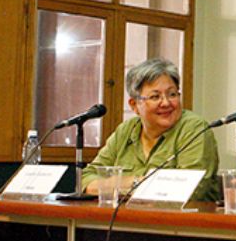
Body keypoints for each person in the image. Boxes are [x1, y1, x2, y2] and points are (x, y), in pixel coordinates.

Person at [83, 58, 220, 200]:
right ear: (134, 105)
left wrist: (117, 185)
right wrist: (135, 182)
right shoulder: (125, 131)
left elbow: (191, 191)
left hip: (181, 221)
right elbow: (87, 180)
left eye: (172, 94)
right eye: (155, 97)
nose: (166, 103)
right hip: (123, 219)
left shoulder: (194, 129)